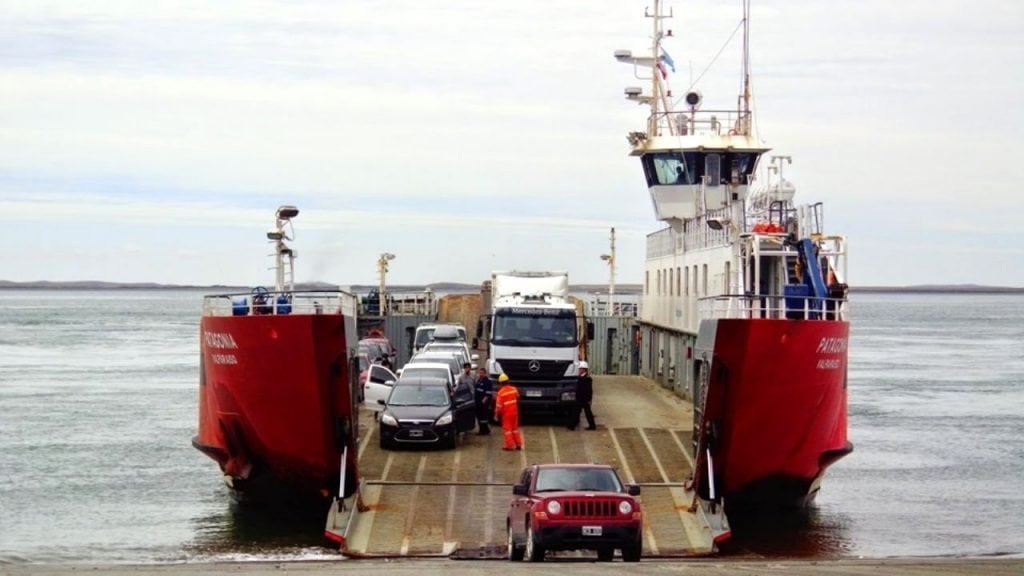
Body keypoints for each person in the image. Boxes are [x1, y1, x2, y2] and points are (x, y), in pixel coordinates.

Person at [494, 373, 523, 450]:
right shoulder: (514, 389)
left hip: (506, 413)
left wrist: (496, 415)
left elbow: (498, 406)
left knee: (507, 430)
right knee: (515, 429)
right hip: (515, 412)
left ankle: (509, 446)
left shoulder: (500, 393)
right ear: (508, 381)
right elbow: (518, 396)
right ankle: (518, 444)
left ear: (500, 383)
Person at [568, 361, 596, 431]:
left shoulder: (587, 378)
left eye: (580, 369)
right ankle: (572, 425)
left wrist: (589, 399)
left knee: (584, 412)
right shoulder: (580, 377)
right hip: (580, 398)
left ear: (584, 369)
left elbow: (588, 390)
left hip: (584, 399)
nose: (579, 370)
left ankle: (591, 426)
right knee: (577, 412)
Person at [473, 367, 493, 436]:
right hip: (477, 402)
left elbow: (488, 394)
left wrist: (483, 401)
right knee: (479, 418)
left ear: (485, 374)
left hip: (483, 404)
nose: (480, 374)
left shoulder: (488, 382)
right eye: (480, 373)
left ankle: (485, 430)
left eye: (482, 373)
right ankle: (482, 430)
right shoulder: (478, 381)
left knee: (483, 418)